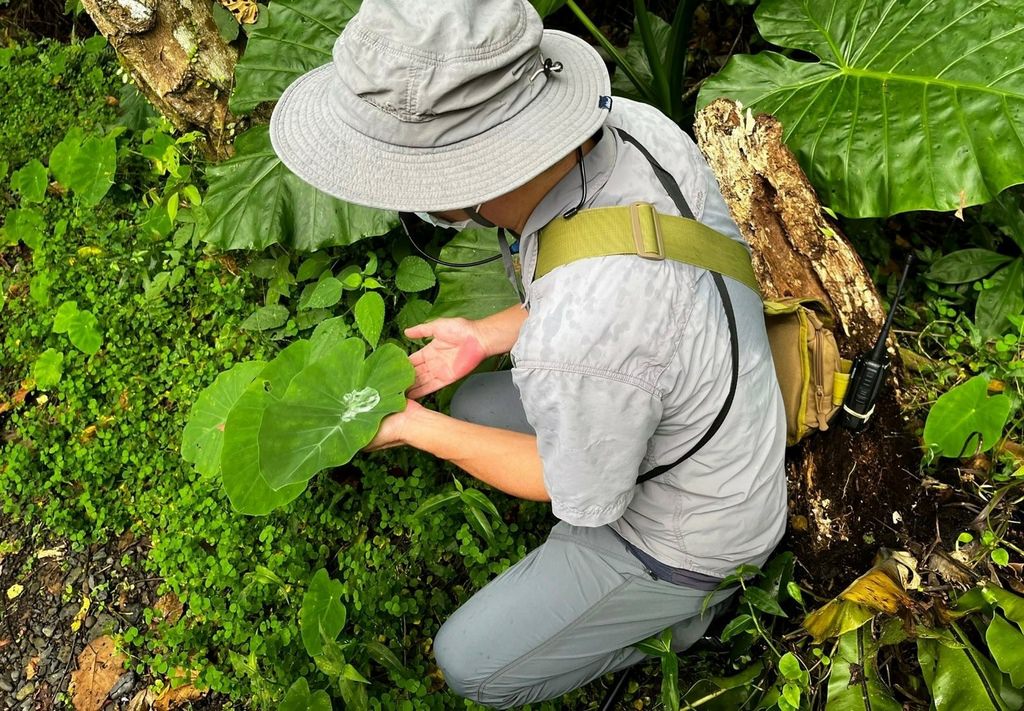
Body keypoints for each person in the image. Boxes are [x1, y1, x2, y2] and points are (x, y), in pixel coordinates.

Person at [269, 0, 787, 707]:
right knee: (480, 399)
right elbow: (610, 273)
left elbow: (576, 487)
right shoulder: (634, 130)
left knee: (469, 662)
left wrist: (417, 430)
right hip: (724, 411)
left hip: (698, 533)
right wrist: (482, 337)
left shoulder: (577, 343)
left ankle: (692, 614)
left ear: (462, 180)